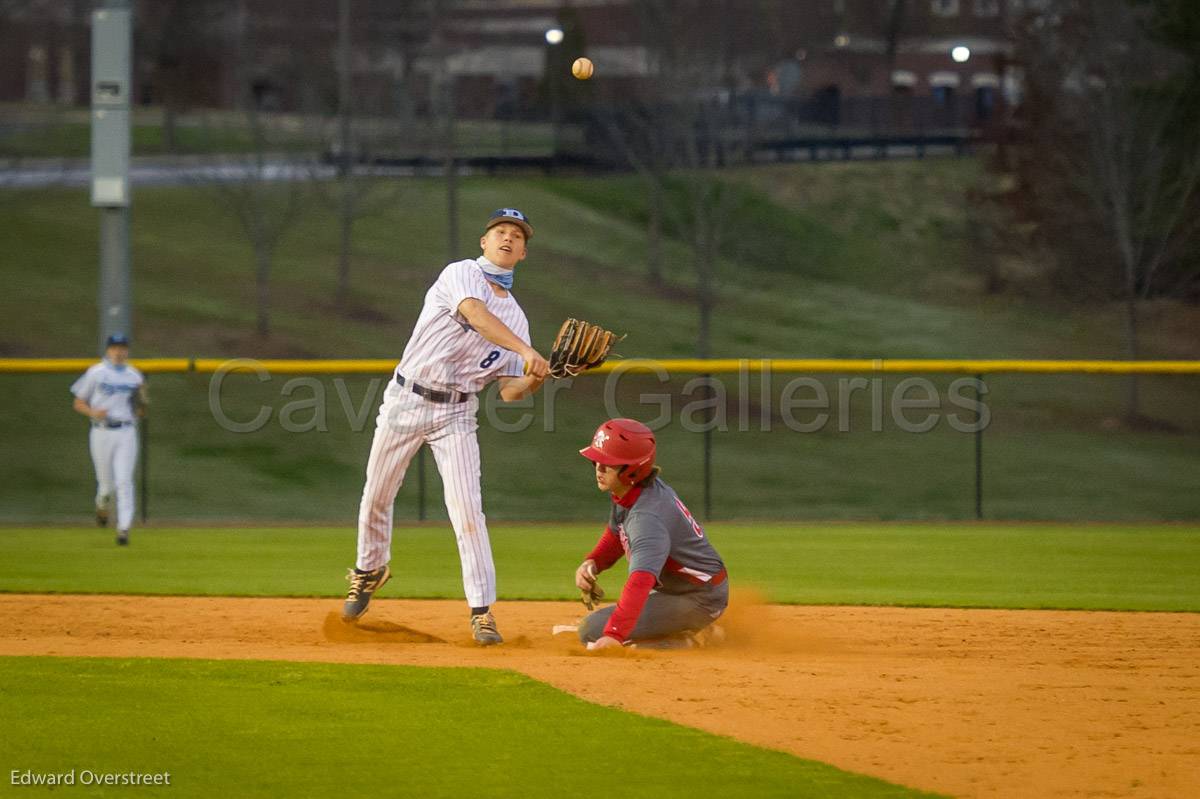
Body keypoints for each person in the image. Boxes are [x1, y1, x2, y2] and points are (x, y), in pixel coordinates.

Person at [343, 208, 550, 645]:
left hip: (455, 413)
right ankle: (369, 569)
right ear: (484, 241)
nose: (507, 238)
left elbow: (509, 392)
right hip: (405, 398)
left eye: (516, 235)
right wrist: (527, 350)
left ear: (524, 252)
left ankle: (481, 612)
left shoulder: (518, 320)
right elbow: (475, 314)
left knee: (467, 511)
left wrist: (536, 374)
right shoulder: (461, 274)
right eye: (500, 232)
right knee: (377, 494)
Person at [574, 418, 729, 649]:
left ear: (632, 469)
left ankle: (690, 640)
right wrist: (593, 562)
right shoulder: (631, 492)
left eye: (608, 463)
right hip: (686, 590)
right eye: (597, 460)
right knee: (598, 627)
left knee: (593, 631)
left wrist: (614, 635)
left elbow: (640, 581)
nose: (599, 468)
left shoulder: (647, 518)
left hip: (698, 598)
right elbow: (617, 533)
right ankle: (688, 630)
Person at [70, 333, 147, 546]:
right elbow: (78, 403)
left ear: (127, 350)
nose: (119, 351)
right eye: (115, 347)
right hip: (101, 431)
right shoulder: (96, 373)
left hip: (126, 431)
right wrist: (93, 412)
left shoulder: (134, 376)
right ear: (108, 350)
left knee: (124, 480)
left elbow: (140, 407)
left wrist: (141, 408)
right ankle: (102, 507)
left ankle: (123, 529)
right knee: (106, 486)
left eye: (122, 347)